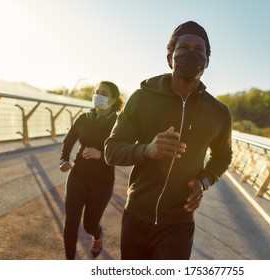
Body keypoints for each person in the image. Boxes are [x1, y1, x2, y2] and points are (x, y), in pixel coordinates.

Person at [104, 21, 232, 260]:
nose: (191, 53)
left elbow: (223, 156)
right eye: (183, 48)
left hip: (179, 223)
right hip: (136, 217)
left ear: (207, 61)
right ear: (169, 56)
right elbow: (111, 150)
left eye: (199, 50)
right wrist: (147, 150)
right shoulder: (142, 98)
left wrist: (203, 181)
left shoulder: (219, 112)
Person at [59, 81, 124, 260]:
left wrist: (101, 154)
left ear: (112, 100)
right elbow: (69, 139)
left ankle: (97, 235)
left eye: (103, 93)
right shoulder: (84, 118)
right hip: (78, 175)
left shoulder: (119, 123)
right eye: (97, 92)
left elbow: (123, 151)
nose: (98, 96)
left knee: (89, 225)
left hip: (102, 182)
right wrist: (64, 159)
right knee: (71, 223)